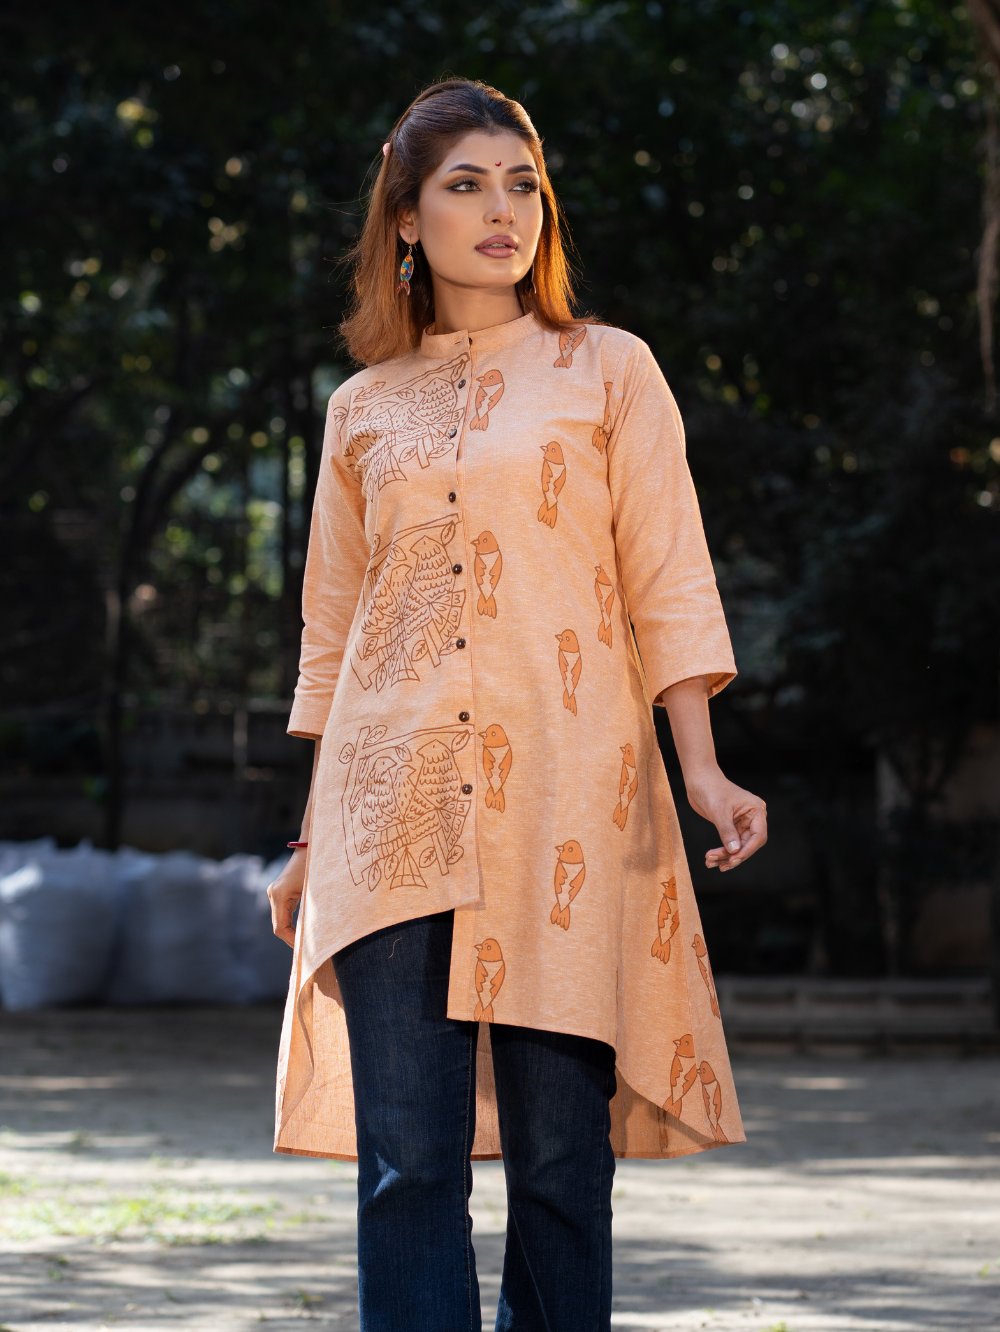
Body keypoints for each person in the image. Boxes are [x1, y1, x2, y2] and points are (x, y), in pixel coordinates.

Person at [267, 77, 767, 1332]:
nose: (504, 211)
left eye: (523, 185)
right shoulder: (358, 409)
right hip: (388, 813)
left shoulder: (609, 370)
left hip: (565, 799)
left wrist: (703, 769)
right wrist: (313, 835)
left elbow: (666, 575)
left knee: (560, 1164)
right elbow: (333, 633)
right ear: (405, 218)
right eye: (467, 185)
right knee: (407, 1167)